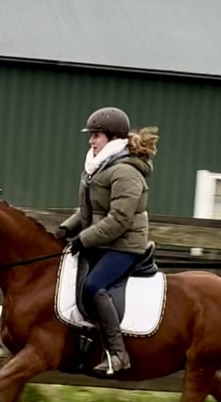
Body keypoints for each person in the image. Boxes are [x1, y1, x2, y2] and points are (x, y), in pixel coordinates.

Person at [55, 106, 159, 373]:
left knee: (92, 286)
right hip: (103, 241)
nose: (91, 141)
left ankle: (118, 353)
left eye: (96, 135)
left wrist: (83, 239)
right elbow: (88, 211)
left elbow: (119, 219)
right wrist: (66, 229)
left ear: (113, 138)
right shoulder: (97, 167)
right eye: (91, 135)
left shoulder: (126, 172)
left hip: (125, 246)